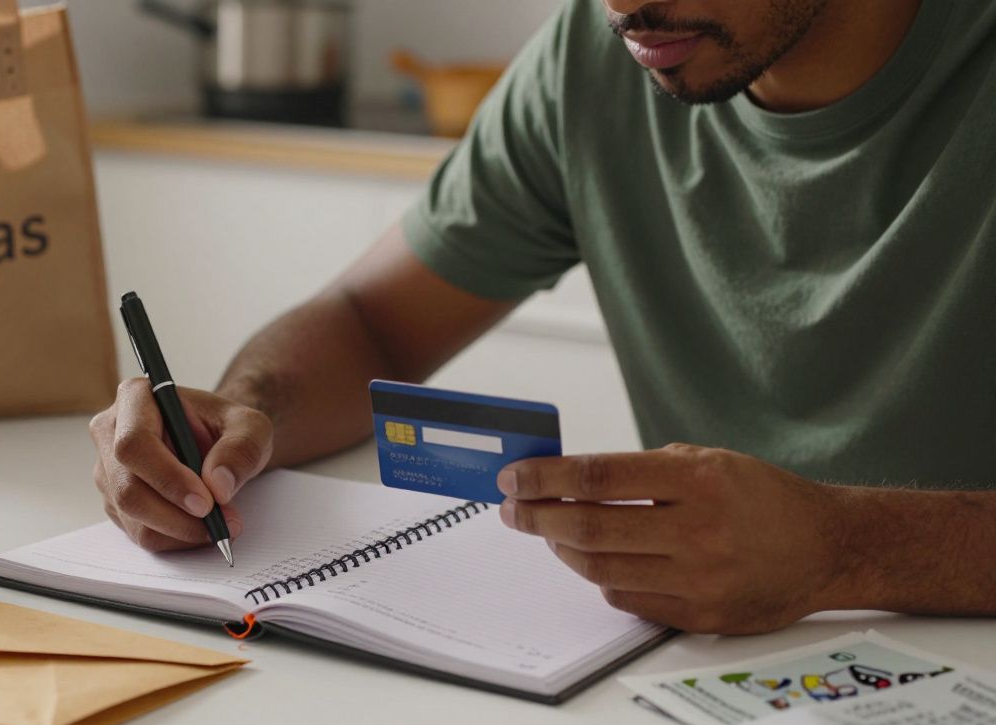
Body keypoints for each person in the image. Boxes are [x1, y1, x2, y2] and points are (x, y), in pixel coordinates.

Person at [90, 0, 996, 635]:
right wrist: (245, 417)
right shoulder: (595, 59)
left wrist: (847, 550)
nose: (626, 6)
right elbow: (372, 322)